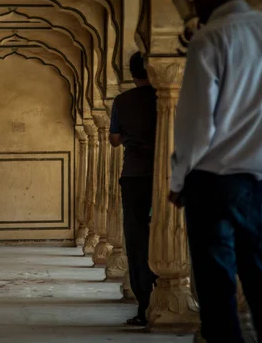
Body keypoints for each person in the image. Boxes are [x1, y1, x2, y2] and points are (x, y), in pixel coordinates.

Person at [168, 0, 262, 343]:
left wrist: (179, 179)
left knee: (217, 295)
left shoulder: (211, 36)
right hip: (259, 182)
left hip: (212, 183)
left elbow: (197, 124)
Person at [109, 51, 158, 326]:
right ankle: (169, 291)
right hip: (164, 176)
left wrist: (130, 134)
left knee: (137, 239)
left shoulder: (122, 101)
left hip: (134, 176)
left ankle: (145, 304)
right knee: (166, 231)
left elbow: (114, 139)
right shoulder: (166, 97)